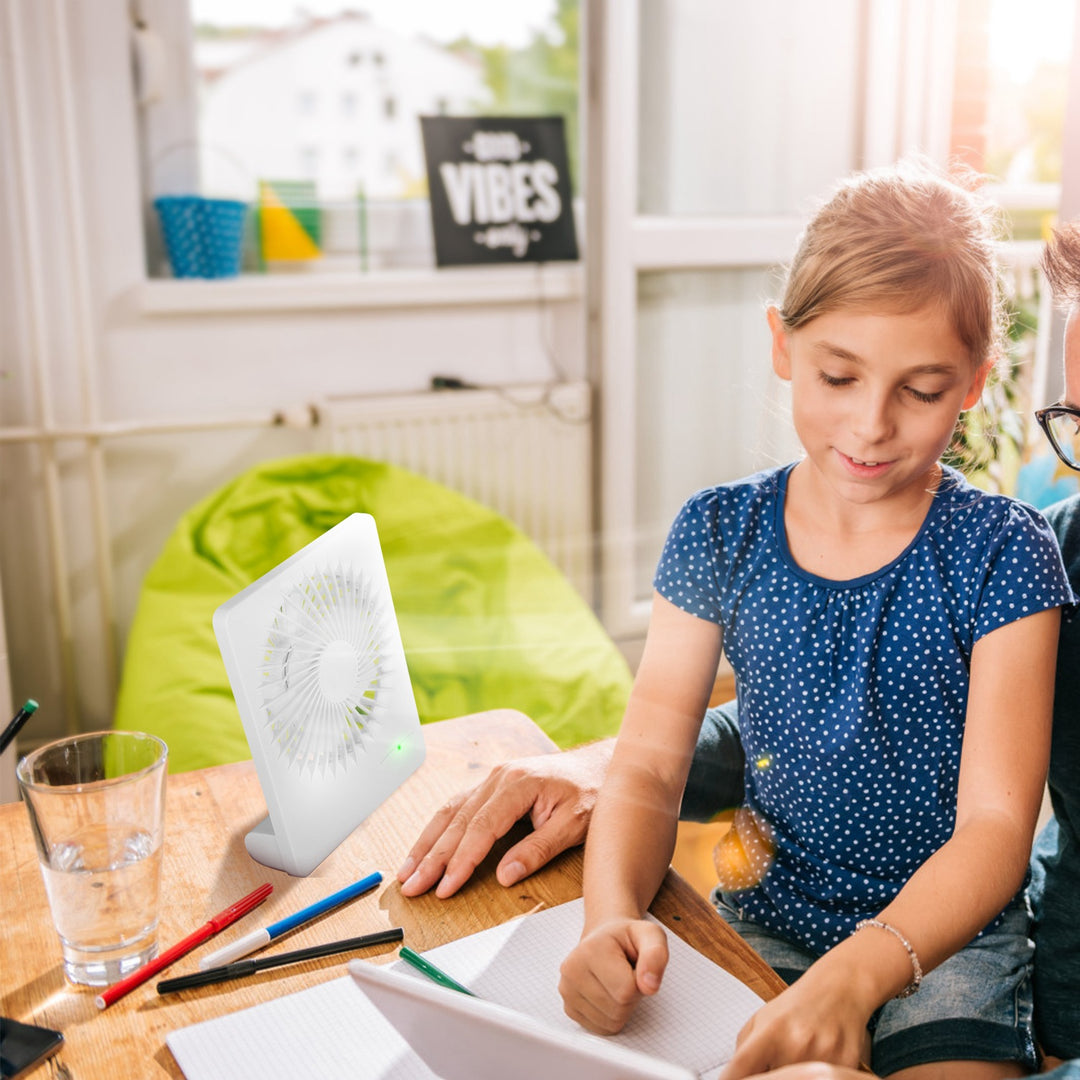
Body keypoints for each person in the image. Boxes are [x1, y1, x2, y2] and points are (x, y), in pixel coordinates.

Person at [401, 163, 1076, 1079]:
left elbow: (997, 829)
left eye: (920, 391)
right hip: (769, 918)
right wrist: (610, 918)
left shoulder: (1007, 552)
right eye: (839, 375)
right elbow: (646, 764)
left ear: (973, 384)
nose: (871, 425)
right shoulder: (721, 532)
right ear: (782, 344)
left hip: (945, 949)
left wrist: (860, 976)